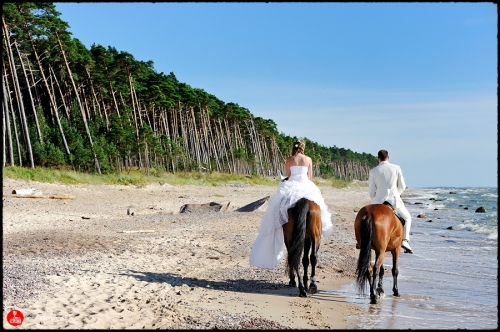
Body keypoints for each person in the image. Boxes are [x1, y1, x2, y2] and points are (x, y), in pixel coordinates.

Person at [249, 139, 334, 269]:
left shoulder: (289, 159)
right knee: (319, 206)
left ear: (294, 147)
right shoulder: (308, 159)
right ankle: (319, 226)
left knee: (278, 207)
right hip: (306, 186)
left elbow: (288, 175)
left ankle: (278, 226)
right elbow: (309, 177)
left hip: (291, 185)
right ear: (303, 147)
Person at [368, 149, 413, 253]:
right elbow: (402, 186)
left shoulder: (373, 171)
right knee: (407, 218)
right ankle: (405, 240)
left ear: (378, 159)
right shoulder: (396, 168)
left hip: (378, 200)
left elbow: (371, 191)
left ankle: (361, 241)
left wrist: (374, 198)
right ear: (388, 157)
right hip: (393, 201)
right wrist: (397, 194)